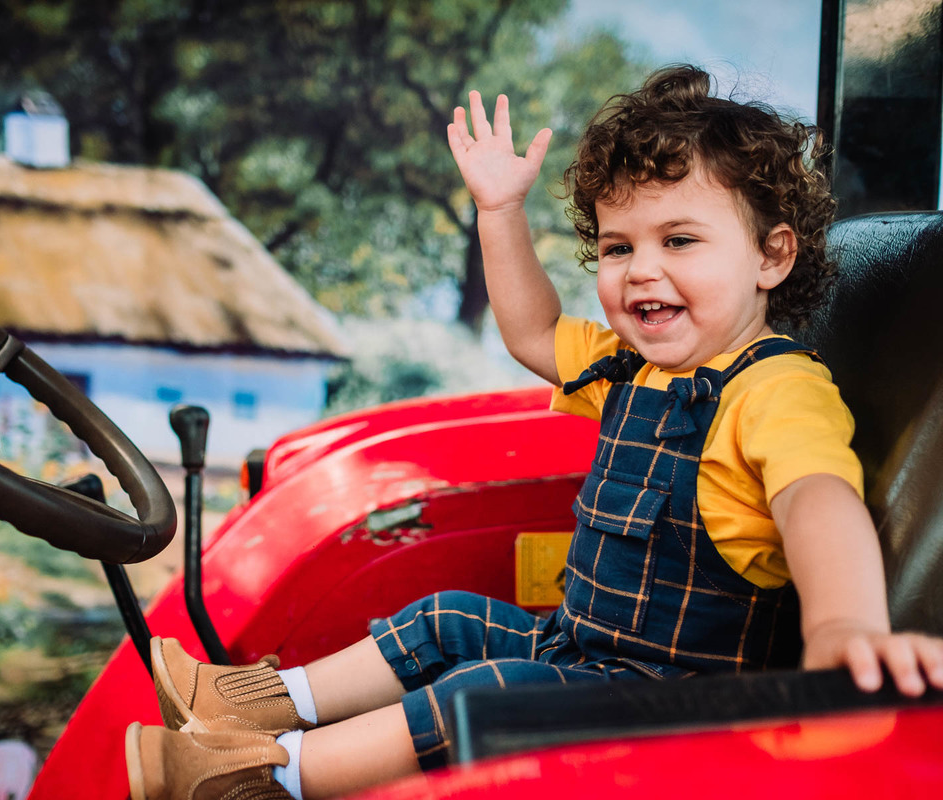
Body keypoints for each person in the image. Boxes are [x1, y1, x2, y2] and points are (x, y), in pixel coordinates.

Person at [123, 65, 943, 800]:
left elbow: (818, 503)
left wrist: (843, 628)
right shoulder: (632, 366)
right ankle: (255, 704)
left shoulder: (778, 389)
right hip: (580, 649)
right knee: (445, 619)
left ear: (772, 257)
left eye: (679, 240)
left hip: (677, 706)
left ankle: (262, 778)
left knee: (477, 694)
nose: (641, 269)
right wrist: (500, 211)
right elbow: (533, 331)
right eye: (618, 247)